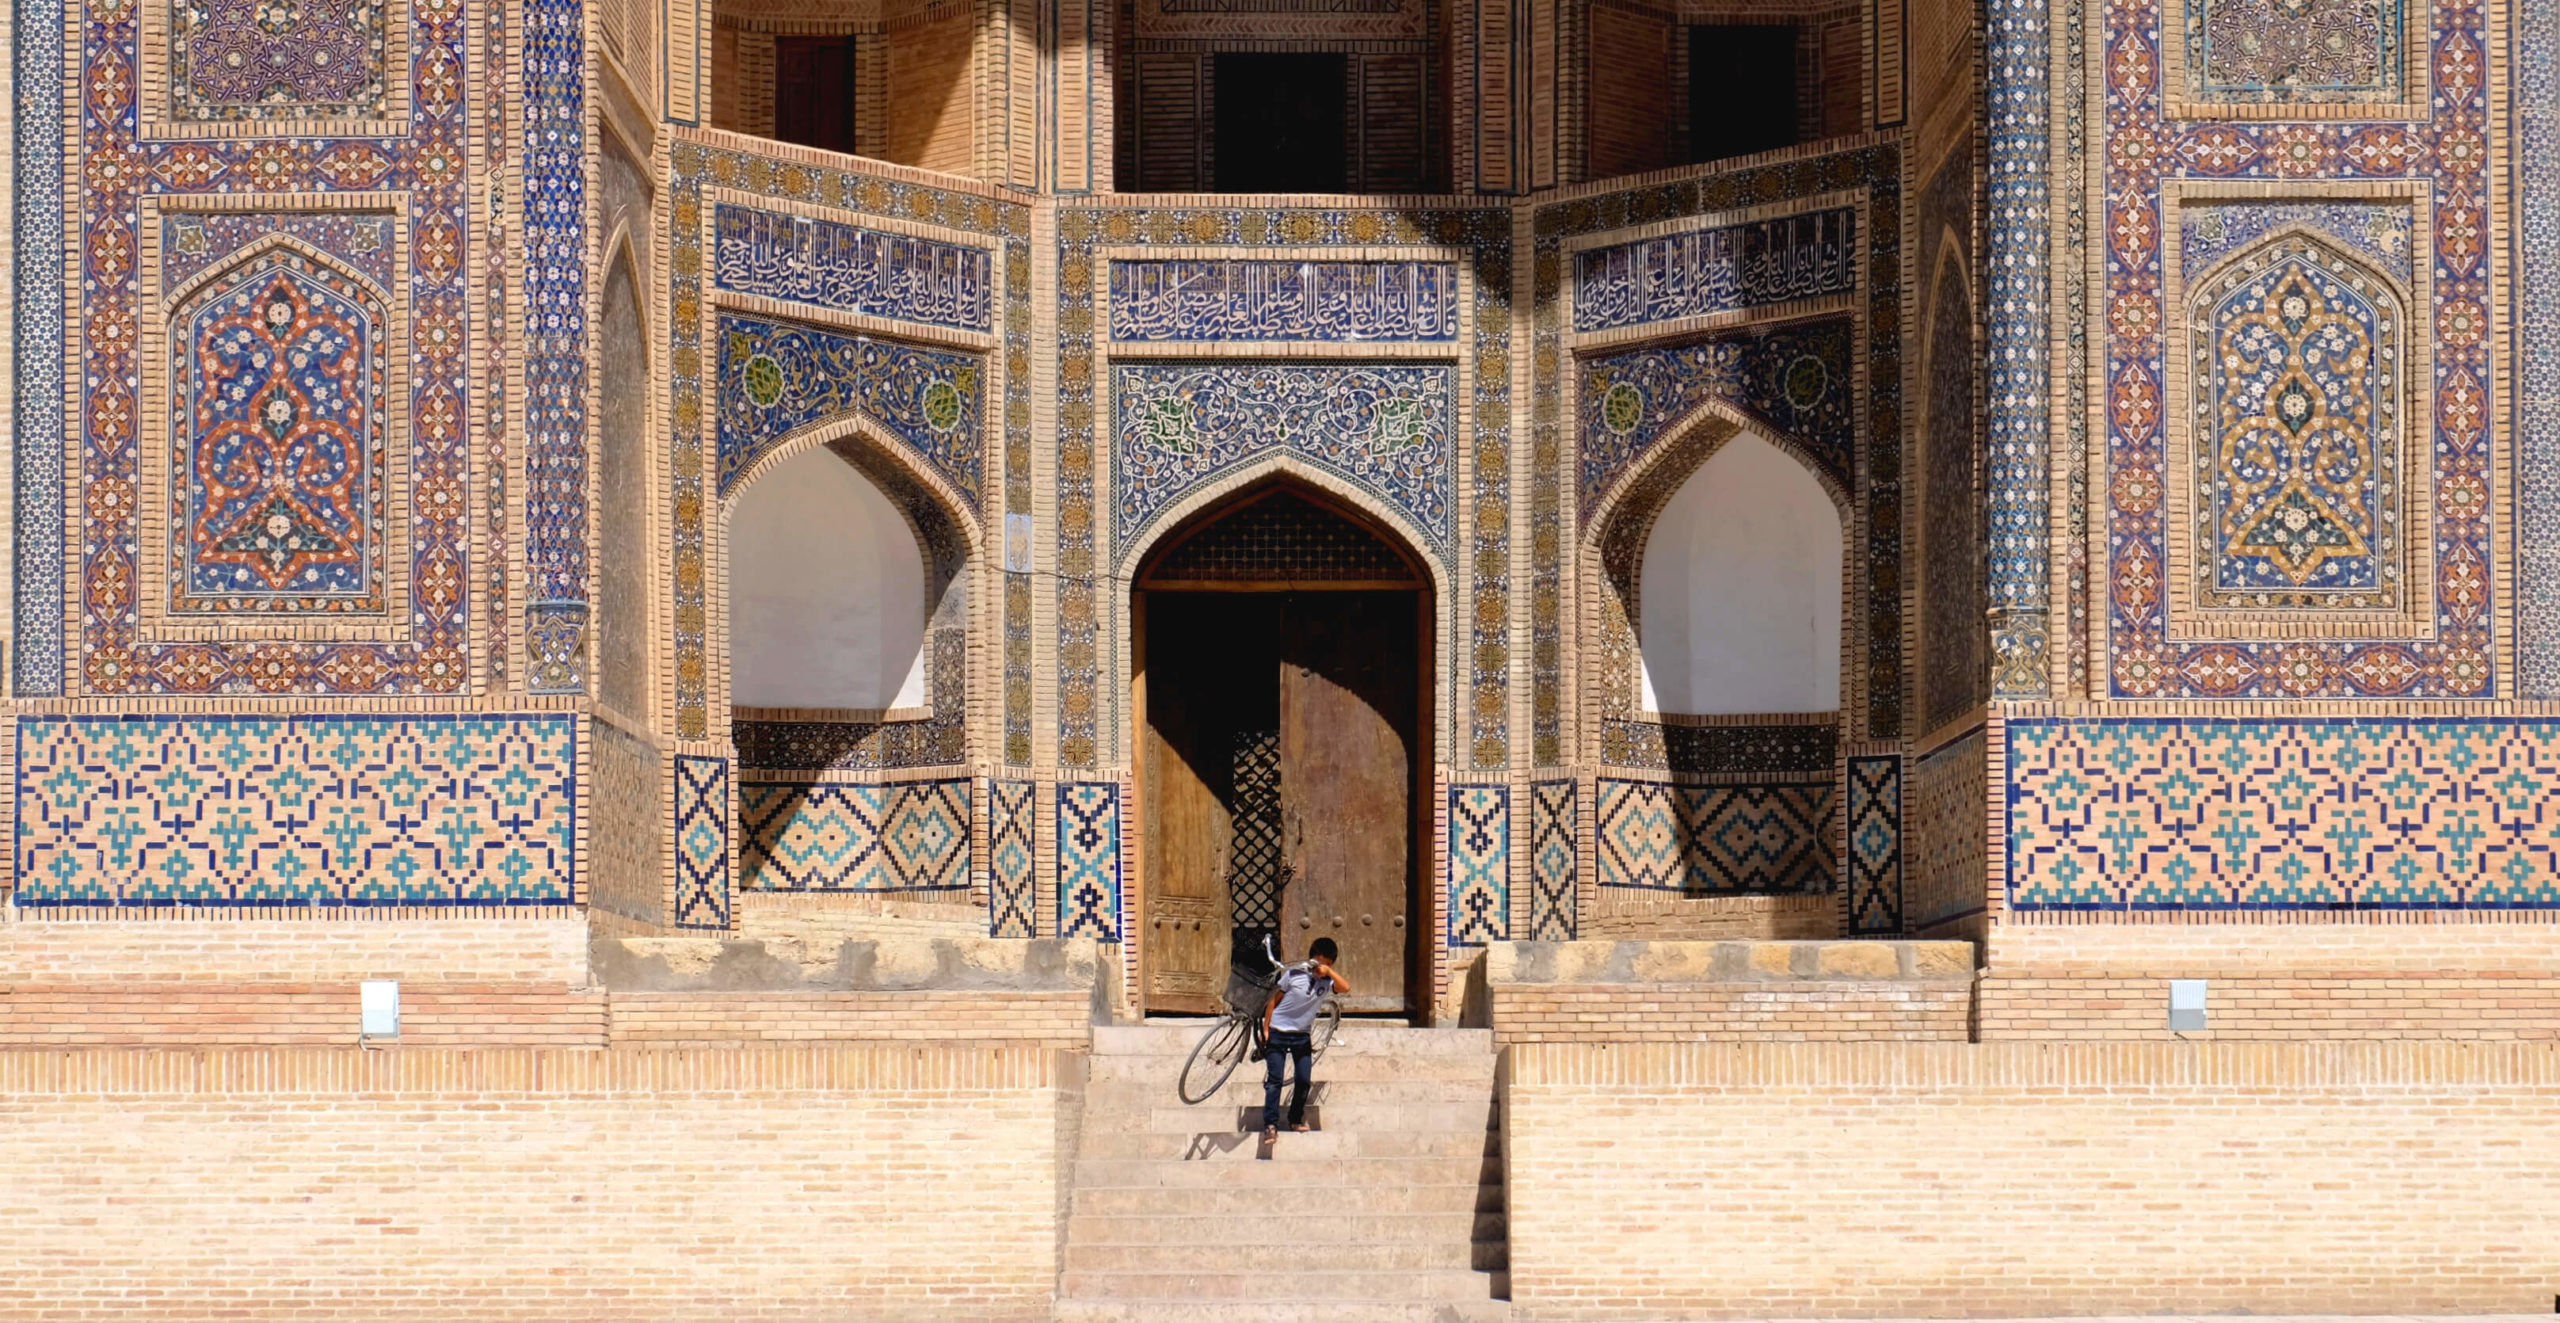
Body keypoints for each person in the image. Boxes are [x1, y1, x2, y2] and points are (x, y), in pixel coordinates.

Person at [1260, 937, 1350, 1142]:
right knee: (1275, 1081)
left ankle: (1295, 1119)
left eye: (1327, 964)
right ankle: (1271, 1124)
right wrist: (1266, 1029)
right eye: (1319, 963)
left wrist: (1329, 973)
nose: (1321, 968)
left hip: (1301, 1036)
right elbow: (1272, 1002)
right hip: (1278, 1032)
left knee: (1303, 1080)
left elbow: (1346, 988)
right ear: (1312, 960)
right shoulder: (1294, 975)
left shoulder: (1327, 983)